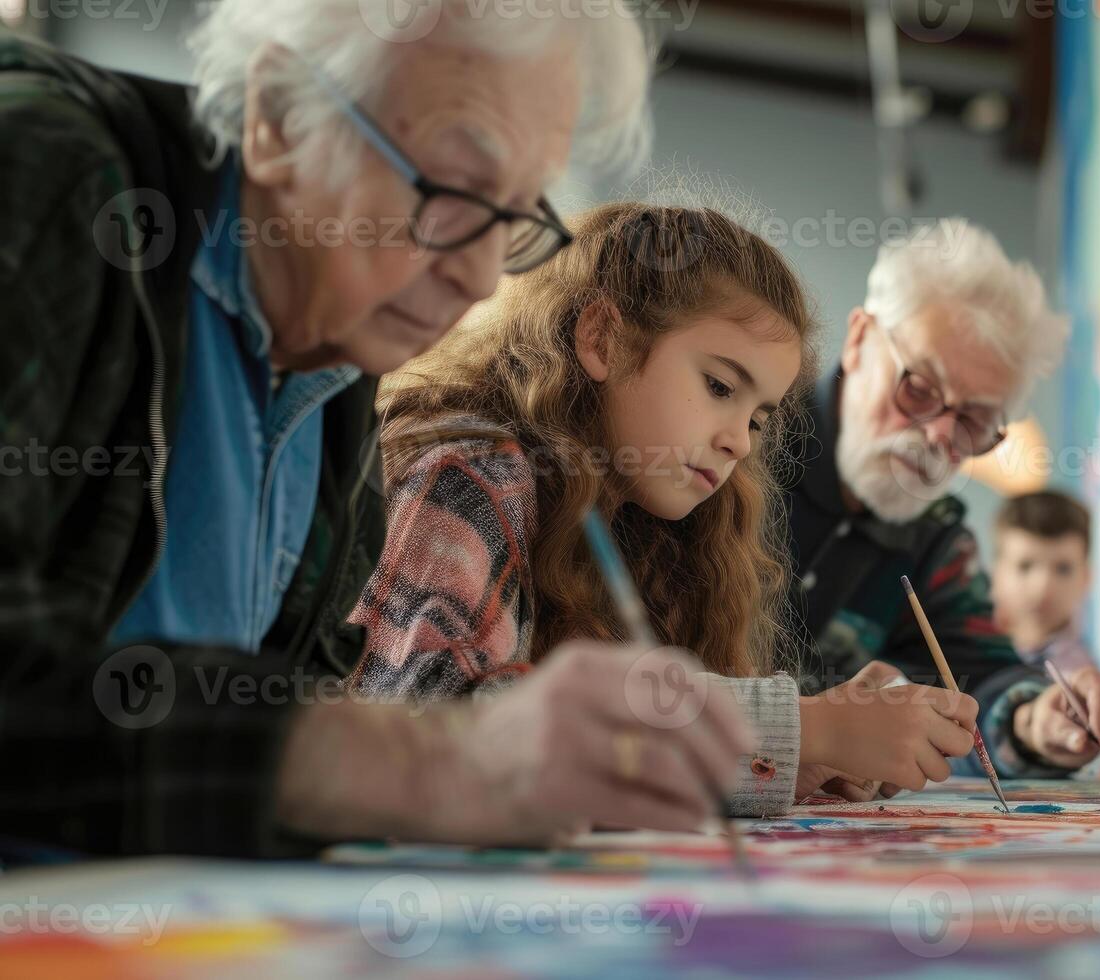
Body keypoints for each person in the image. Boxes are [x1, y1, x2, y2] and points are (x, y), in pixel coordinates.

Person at [0, 1, 751, 857]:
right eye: (451, 194)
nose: (475, 277)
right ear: (279, 117)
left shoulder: (335, 346)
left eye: (513, 218)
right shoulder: (43, 174)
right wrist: (421, 765)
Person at [349, 203, 984, 818]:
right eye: (720, 387)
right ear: (603, 338)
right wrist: (809, 726)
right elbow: (424, 729)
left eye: (759, 418)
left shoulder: (639, 524)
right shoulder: (471, 476)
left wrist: (794, 757)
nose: (740, 440)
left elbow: (589, 771)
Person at [784, 219, 1100, 786]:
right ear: (859, 340)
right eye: (918, 388)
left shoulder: (935, 536)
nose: (939, 436)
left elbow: (976, 681)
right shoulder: (732, 450)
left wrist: (1038, 722)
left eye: (974, 420)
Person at [991, 490, 1098, 680]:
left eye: (1063, 569)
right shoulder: (963, 648)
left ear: (1086, 578)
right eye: (1025, 566)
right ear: (997, 574)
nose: (1042, 589)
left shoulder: (1084, 677)